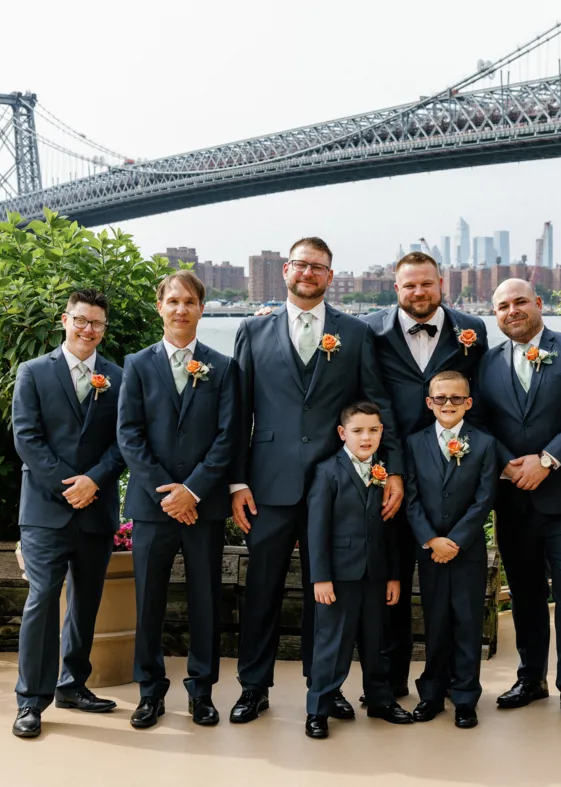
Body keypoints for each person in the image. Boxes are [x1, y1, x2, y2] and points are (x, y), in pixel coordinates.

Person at [229, 237, 402, 724]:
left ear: (330, 276)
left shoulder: (356, 333)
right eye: (301, 265)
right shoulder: (251, 330)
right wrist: (236, 482)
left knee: (329, 594)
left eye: (318, 268)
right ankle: (253, 686)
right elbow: (239, 414)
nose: (308, 273)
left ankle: (324, 687)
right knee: (261, 588)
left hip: (339, 486)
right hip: (268, 485)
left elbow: (376, 403)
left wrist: (395, 471)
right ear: (286, 270)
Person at [474, 278, 561, 727]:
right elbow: (477, 423)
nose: (511, 311)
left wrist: (548, 460)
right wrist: (505, 466)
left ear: (538, 303)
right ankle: (530, 679)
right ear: (494, 315)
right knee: (527, 596)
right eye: (501, 306)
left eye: (519, 302)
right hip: (513, 501)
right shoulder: (486, 362)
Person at [361, 251, 487, 700]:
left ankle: (453, 683)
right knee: (390, 579)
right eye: (409, 285)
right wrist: (391, 468)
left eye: (427, 284)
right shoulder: (370, 330)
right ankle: (390, 682)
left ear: (441, 285)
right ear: (396, 288)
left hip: (451, 472)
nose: (419, 292)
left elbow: (480, 399)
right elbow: (371, 398)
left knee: (450, 589)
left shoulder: (473, 331)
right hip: (392, 470)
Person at [117, 270, 238, 729]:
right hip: (153, 508)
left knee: (206, 602)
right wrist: (168, 492)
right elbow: (129, 435)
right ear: (160, 308)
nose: (181, 309)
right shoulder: (137, 365)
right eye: (173, 301)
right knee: (149, 602)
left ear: (202, 309)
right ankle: (149, 693)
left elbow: (229, 438)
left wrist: (194, 491)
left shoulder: (223, 367)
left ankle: (202, 693)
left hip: (203, 508)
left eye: (189, 301)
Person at [10, 289, 127, 739]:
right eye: (81, 321)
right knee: (42, 599)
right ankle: (30, 701)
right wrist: (69, 485)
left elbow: (124, 441)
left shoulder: (117, 377)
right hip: (44, 510)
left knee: (86, 601)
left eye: (97, 324)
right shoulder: (34, 373)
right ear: (65, 320)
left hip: (96, 511)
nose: (88, 330)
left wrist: (94, 481)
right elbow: (27, 437)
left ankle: (72, 685)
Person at [304, 401, 413, 739]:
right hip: (338, 576)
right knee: (332, 644)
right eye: (358, 431)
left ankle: (381, 700)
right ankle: (318, 710)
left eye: (374, 430)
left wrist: (393, 574)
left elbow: (392, 530)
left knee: (376, 642)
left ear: (382, 432)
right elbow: (317, 530)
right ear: (342, 433)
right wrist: (320, 577)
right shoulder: (327, 472)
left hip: (377, 574)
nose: (366, 437)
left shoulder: (386, 473)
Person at [403, 371, 497, 729]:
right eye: (440, 398)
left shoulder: (485, 443)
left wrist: (455, 540)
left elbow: (484, 498)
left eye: (456, 398)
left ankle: (465, 696)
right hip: (430, 551)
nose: (448, 404)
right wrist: (430, 539)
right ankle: (431, 693)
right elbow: (410, 498)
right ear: (429, 403)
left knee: (468, 622)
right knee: (436, 620)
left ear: (468, 403)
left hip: (467, 551)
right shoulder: (414, 443)